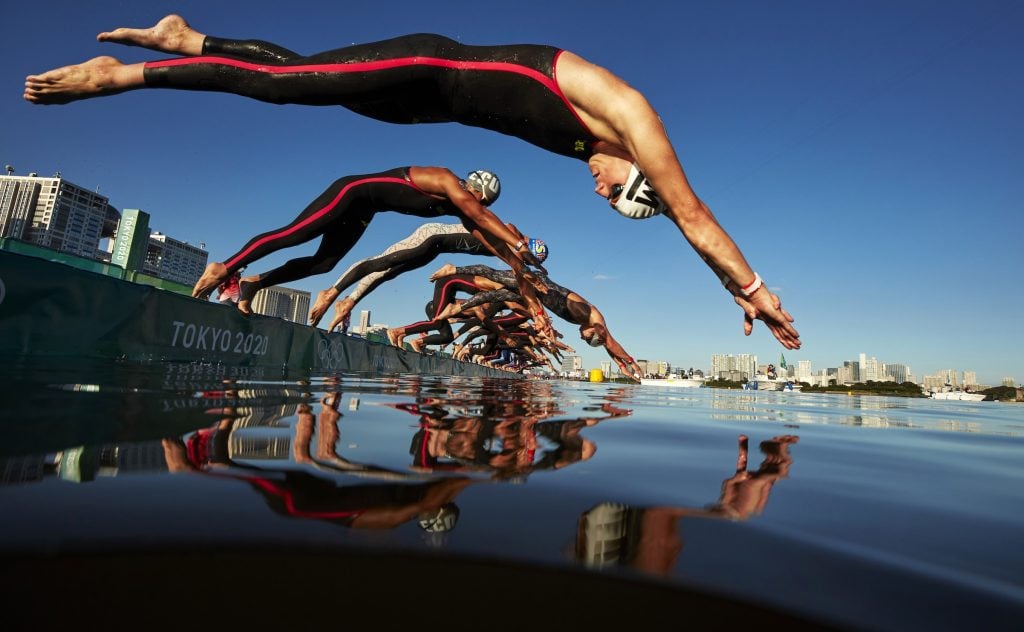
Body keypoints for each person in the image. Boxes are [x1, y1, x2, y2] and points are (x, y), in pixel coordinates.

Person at [24, 14, 800, 350]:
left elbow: (678, 219)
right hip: (429, 64)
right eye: (615, 189)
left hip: (424, 112)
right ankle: (122, 75)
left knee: (296, 74)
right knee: (282, 89)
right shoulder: (631, 116)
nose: (595, 187)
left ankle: (189, 38)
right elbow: (689, 210)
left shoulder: (617, 160)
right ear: (641, 169)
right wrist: (755, 285)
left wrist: (725, 289)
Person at [183, 165, 548, 323]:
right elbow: (486, 222)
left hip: (363, 212)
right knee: (296, 233)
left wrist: (523, 269)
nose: (477, 208)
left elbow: (496, 245)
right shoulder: (447, 180)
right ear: (474, 189)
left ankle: (254, 282)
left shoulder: (467, 210)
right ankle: (226, 268)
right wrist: (520, 240)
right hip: (350, 193)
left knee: (323, 263)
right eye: (479, 201)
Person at [306, 220, 548, 331]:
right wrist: (526, 259)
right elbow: (517, 244)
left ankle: (349, 301)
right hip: (431, 235)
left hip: (436, 248)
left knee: (389, 274)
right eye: (529, 258)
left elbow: (522, 281)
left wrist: (538, 313)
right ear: (528, 245)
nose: (525, 263)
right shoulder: (512, 233)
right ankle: (332, 291)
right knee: (384, 262)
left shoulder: (510, 255)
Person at [432, 263, 645, 379]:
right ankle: (455, 270)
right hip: (537, 283)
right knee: (494, 277)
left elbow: (609, 343)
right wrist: (632, 362)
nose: (581, 336)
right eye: (586, 338)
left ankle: (458, 307)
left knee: (498, 295)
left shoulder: (594, 324)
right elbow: (610, 342)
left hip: (535, 295)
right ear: (595, 332)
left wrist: (622, 365)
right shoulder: (589, 316)